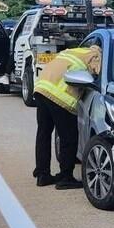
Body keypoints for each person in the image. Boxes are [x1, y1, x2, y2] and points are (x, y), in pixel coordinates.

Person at [31, 44, 102, 190]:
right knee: (68, 138)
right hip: (59, 95)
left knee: (43, 134)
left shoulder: (74, 51)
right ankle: (65, 178)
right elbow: (100, 73)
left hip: (41, 89)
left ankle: (42, 175)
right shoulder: (95, 54)